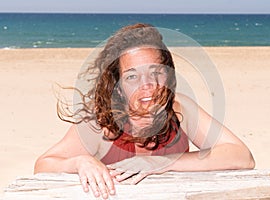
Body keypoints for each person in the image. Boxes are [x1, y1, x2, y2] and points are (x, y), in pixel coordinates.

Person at [34, 23, 255, 199]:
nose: (146, 85)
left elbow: (242, 156)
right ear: (118, 86)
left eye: (155, 72)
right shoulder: (101, 123)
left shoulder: (181, 110)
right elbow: (43, 165)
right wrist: (79, 161)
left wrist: (163, 163)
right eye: (132, 76)